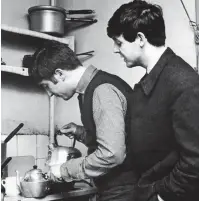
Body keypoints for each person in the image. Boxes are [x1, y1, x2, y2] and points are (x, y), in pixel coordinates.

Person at [107, 1, 199, 201]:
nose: (115, 49)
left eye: (119, 42)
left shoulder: (183, 82)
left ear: (140, 38)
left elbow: (195, 161)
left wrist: (160, 195)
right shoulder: (148, 83)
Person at [30, 40, 138, 201]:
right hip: (117, 188)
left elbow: (112, 154)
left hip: (125, 190)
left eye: (46, 86)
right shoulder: (90, 89)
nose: (49, 94)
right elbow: (119, 137)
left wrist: (64, 170)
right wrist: (80, 132)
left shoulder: (102, 91)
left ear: (59, 74)